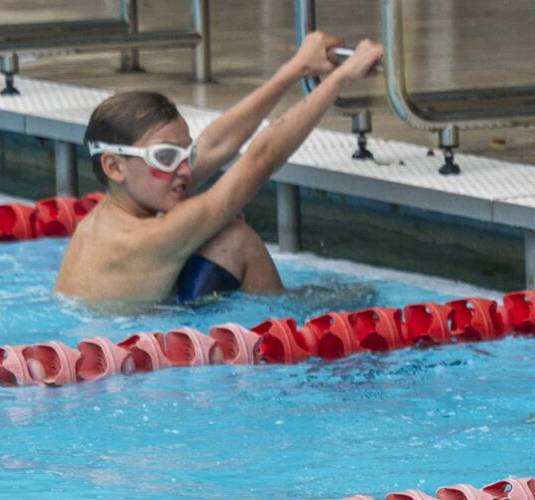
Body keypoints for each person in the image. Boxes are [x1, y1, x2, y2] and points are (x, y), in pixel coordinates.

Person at [54, 34, 383, 307]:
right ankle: (287, 320)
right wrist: (343, 76)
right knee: (235, 239)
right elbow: (261, 158)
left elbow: (214, 144)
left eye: (184, 153)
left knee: (224, 234)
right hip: (126, 370)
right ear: (114, 166)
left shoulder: (116, 210)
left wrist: (296, 68)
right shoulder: (145, 237)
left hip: (114, 345)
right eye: (166, 156)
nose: (184, 169)